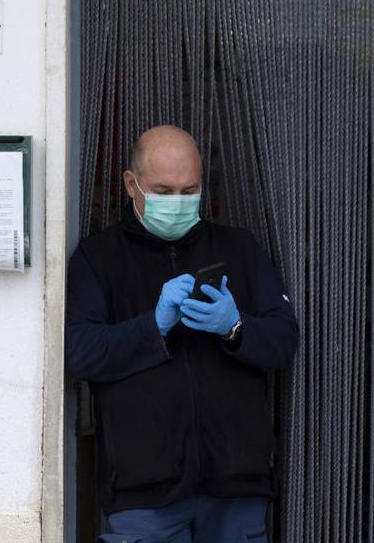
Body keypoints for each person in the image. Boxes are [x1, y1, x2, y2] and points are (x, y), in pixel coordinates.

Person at [66, 125, 299, 543]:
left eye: (189, 190)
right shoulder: (97, 258)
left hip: (235, 483)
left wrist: (236, 328)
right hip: (143, 490)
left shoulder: (239, 249)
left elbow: (283, 341)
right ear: (131, 184)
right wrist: (152, 327)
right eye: (164, 190)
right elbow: (79, 353)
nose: (177, 202)